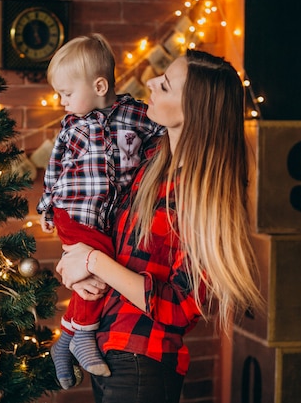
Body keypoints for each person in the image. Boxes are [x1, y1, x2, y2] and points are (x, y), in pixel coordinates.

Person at [55, 49, 263, 403]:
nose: (150, 81)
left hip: (143, 361)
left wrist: (92, 262)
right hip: (107, 345)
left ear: (192, 110)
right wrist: (78, 267)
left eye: (165, 85)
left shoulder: (203, 195)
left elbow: (180, 308)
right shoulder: (151, 161)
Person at [36, 33, 163, 389]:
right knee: (101, 266)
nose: (61, 101)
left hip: (106, 216)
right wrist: (46, 204)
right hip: (74, 211)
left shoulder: (136, 115)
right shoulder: (71, 126)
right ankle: (83, 335)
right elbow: (55, 167)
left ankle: (66, 338)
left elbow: (163, 132)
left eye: (66, 93)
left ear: (100, 85)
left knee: (103, 265)